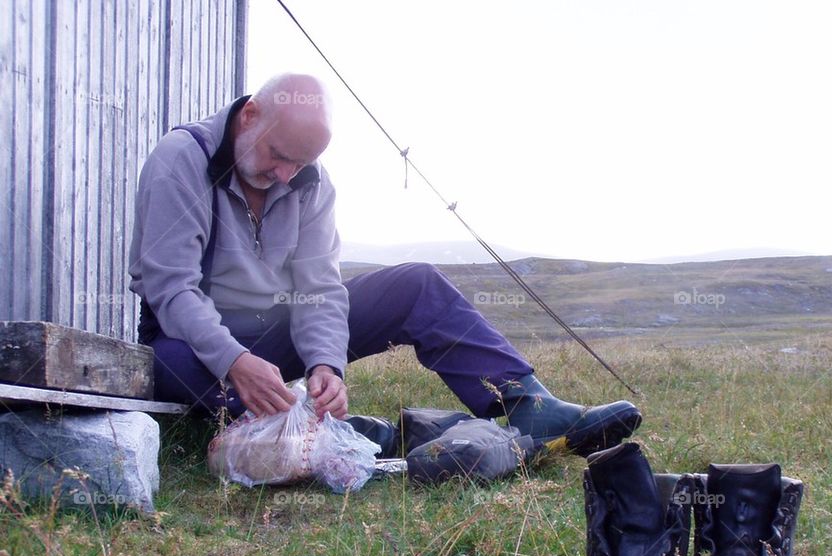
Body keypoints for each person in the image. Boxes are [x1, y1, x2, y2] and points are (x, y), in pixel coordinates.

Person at [128, 73, 640, 455]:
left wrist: (326, 364)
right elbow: (172, 291)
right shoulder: (182, 159)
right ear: (250, 116)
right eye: (277, 156)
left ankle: (526, 406)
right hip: (192, 341)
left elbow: (320, 289)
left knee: (417, 285)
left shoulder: (311, 183)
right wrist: (235, 362)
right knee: (173, 364)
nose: (285, 176)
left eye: (299, 165)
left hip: (274, 328)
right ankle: (337, 437)